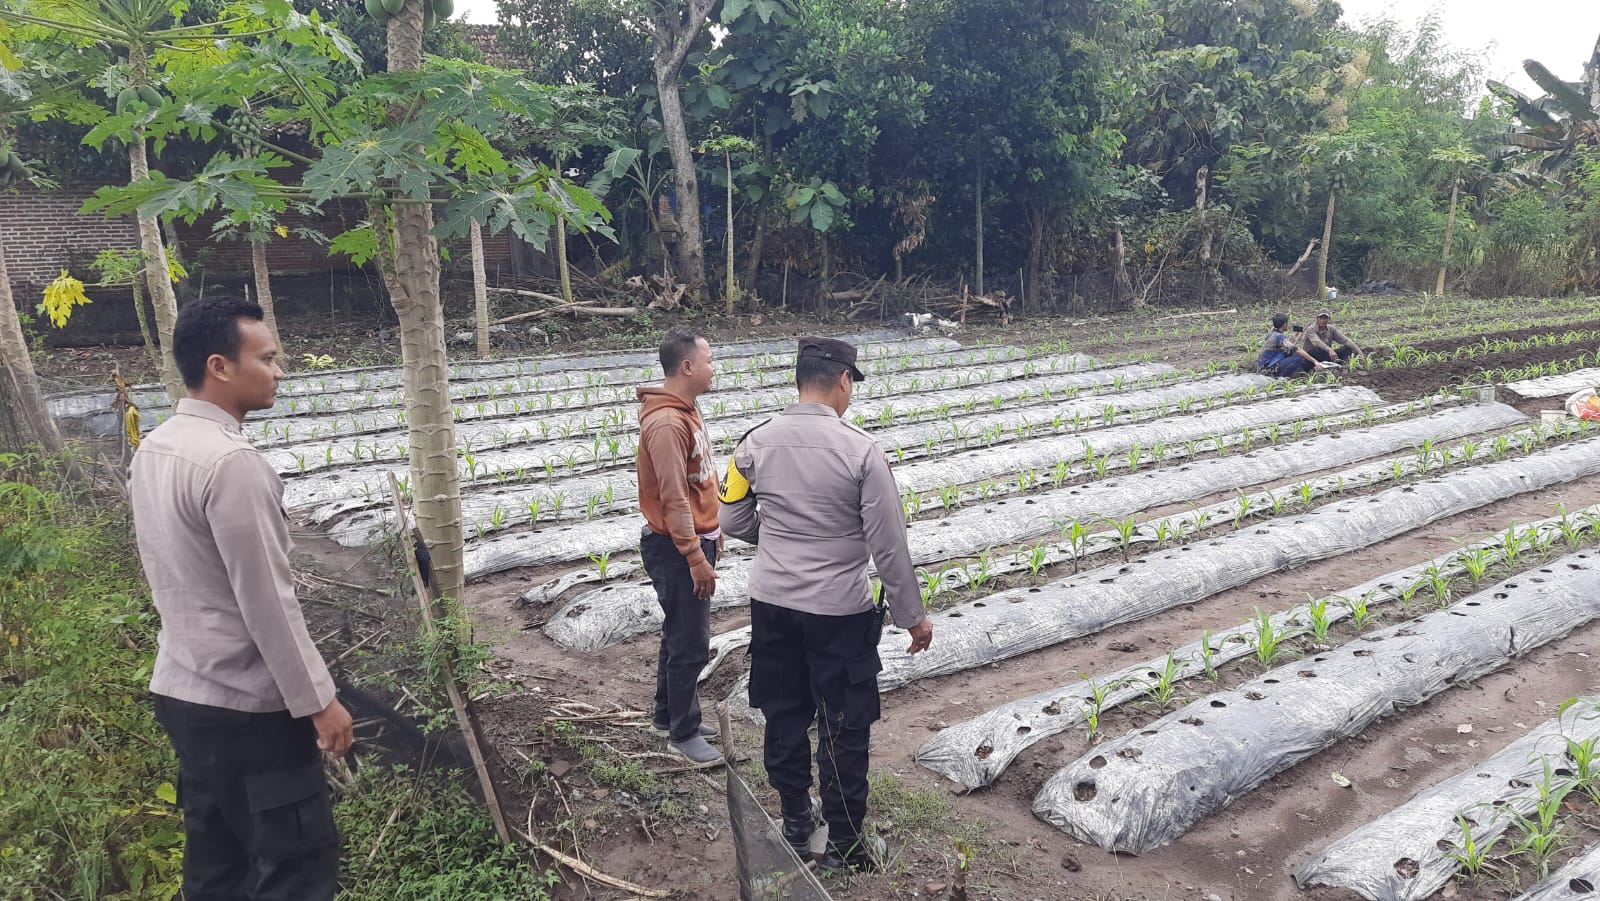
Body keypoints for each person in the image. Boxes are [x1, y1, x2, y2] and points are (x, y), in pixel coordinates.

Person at [130, 297, 352, 901]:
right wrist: (319, 702)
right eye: (268, 358)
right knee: (294, 874)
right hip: (247, 711)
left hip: (183, 693)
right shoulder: (233, 464)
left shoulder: (156, 447)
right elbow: (267, 602)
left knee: (216, 871)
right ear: (220, 366)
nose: (279, 371)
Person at [719, 336, 934, 874]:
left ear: (799, 379)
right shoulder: (862, 452)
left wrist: (780, 543)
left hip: (772, 600)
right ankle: (842, 845)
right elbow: (888, 545)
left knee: (783, 707)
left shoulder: (752, 444)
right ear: (843, 381)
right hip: (838, 611)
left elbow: (731, 519)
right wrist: (913, 616)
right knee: (843, 719)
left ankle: (795, 816)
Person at [637, 328, 724, 764]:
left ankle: (668, 714)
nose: (714, 369)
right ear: (687, 367)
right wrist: (695, 556)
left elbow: (698, 482)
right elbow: (672, 497)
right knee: (690, 641)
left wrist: (713, 529)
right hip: (674, 547)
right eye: (709, 361)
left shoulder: (686, 410)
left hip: (689, 539)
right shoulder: (668, 422)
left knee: (678, 632)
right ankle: (683, 733)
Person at [1256, 312, 1319, 377]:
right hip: (1268, 369)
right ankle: (1282, 377)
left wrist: (1292, 339)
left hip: (1264, 366)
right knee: (1299, 358)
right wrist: (1315, 361)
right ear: (1284, 324)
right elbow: (1297, 350)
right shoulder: (1279, 337)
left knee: (1293, 354)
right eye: (1287, 323)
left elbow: (1285, 348)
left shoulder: (1272, 335)